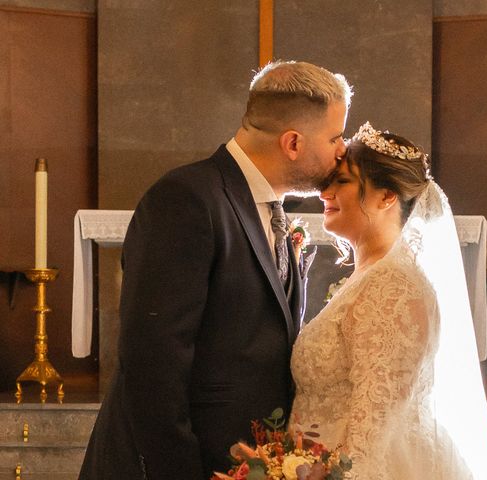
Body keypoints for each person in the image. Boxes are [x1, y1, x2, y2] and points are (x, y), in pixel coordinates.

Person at [79, 60, 353, 480]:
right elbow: (153, 361)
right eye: (335, 137)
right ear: (293, 143)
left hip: (243, 461)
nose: (342, 150)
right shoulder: (188, 200)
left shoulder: (273, 211)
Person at [290, 122, 487, 479]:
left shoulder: (395, 289)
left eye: (341, 181)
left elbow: (368, 440)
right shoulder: (369, 277)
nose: (325, 191)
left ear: (386, 196)